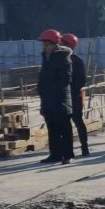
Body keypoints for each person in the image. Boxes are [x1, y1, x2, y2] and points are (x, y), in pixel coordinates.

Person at [37, 29, 74, 164]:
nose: (43, 47)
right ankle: (55, 154)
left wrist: (50, 88)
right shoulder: (46, 58)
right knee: (52, 129)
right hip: (48, 100)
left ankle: (68, 154)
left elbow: (65, 80)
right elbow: (43, 78)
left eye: (45, 44)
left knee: (65, 129)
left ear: (53, 44)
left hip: (60, 100)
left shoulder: (63, 58)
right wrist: (40, 89)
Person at [61, 33, 89, 157]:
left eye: (62, 43)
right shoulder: (60, 60)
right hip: (64, 98)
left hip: (75, 96)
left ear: (69, 45)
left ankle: (84, 147)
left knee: (78, 121)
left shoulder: (77, 61)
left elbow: (82, 80)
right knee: (65, 124)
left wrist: (71, 88)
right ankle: (68, 151)